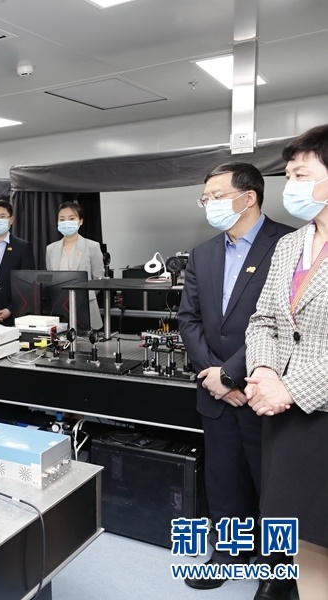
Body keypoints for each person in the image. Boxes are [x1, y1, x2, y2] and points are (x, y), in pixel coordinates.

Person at [175, 163, 295, 599]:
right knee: (223, 479)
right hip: (215, 390)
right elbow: (188, 320)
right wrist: (214, 376)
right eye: (205, 198)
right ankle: (229, 552)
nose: (208, 204)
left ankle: (278, 569)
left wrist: (232, 375)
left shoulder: (289, 244)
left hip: (266, 389)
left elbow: (283, 322)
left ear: (248, 197)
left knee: (274, 486)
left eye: (216, 196)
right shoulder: (203, 253)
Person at [246, 125, 328, 600]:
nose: (291, 185)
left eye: (302, 174)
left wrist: (291, 387)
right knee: (303, 540)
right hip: (286, 421)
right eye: (289, 175)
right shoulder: (289, 245)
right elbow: (265, 320)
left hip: (319, 409)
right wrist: (263, 371)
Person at [45, 201, 106, 330]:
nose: (66, 222)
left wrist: (85, 296)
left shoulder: (92, 246)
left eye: (71, 218)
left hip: (86, 306)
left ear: (80, 221)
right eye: (62, 219)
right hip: (58, 307)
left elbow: (98, 280)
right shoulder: (51, 249)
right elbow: (51, 279)